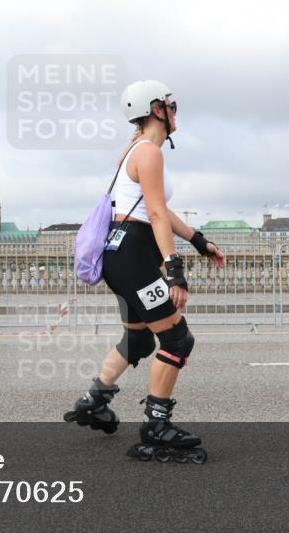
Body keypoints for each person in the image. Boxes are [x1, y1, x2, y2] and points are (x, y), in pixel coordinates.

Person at [64, 80, 226, 463]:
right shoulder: (150, 152)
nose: (175, 110)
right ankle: (157, 424)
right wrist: (174, 270)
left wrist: (199, 240)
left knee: (138, 342)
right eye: (173, 104)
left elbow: (157, 209)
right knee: (176, 341)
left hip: (120, 256)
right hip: (135, 257)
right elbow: (153, 215)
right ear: (157, 109)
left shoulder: (133, 151)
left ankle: (94, 400)